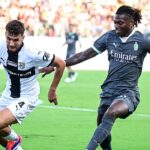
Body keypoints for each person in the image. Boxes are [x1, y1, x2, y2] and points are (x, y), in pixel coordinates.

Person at [40, 5, 150, 150]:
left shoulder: (142, 41)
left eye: (120, 23)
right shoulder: (110, 37)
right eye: (115, 22)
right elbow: (84, 55)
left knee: (111, 113)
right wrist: (58, 65)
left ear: (132, 22)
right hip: (108, 92)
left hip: (128, 93)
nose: (116, 25)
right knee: (102, 125)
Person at [0, 20, 65, 150]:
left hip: (26, 98)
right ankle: (15, 146)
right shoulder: (1, 47)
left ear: (23, 37)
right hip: (8, 94)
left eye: (16, 40)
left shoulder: (33, 53)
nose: (11, 43)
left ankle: (15, 139)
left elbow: (61, 63)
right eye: (9, 39)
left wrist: (52, 90)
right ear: (5, 34)